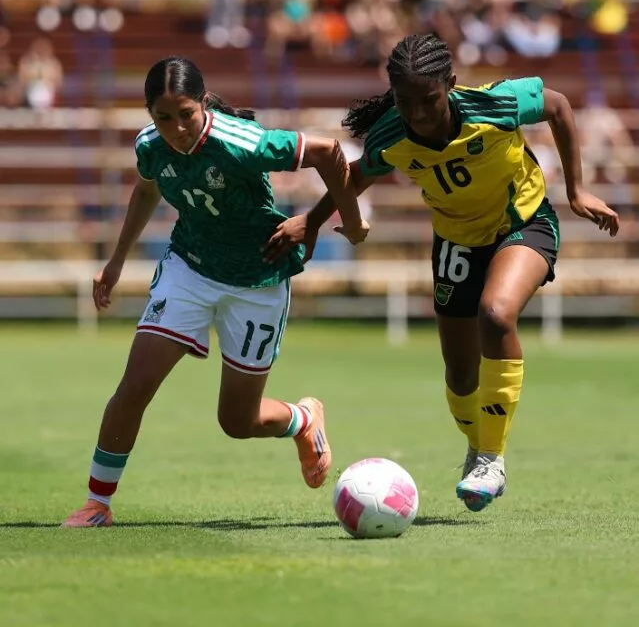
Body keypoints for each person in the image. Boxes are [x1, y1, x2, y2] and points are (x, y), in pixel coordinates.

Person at [264, 33, 619, 513]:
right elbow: (357, 174)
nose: (418, 114)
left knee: (495, 314)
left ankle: (491, 458)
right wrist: (312, 221)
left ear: (450, 85)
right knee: (459, 371)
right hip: (456, 241)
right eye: (405, 102)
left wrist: (576, 191)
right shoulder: (392, 134)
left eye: (428, 100)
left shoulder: (494, 104)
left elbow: (557, 106)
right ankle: (477, 446)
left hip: (523, 221)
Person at [62, 56, 368, 527]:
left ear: (202, 104)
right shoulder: (150, 145)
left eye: (185, 114)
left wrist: (340, 221)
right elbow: (146, 191)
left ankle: (302, 419)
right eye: (163, 117)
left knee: (238, 422)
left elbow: (329, 152)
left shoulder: (242, 142)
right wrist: (116, 260)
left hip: (257, 280)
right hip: (190, 270)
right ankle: (96, 503)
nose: (176, 128)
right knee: (136, 383)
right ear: (149, 114)